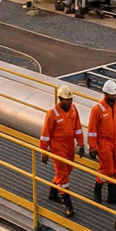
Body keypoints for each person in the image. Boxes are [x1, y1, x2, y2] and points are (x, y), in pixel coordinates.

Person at [38, 86, 84, 217]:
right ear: (60, 99)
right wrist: (44, 153)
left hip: (69, 148)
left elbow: (78, 128)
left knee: (67, 171)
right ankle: (68, 204)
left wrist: (80, 144)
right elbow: (45, 135)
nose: (69, 102)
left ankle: (53, 193)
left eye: (70, 99)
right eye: (66, 100)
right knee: (63, 175)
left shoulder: (73, 110)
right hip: (57, 150)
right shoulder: (52, 114)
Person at [87, 80, 116, 206]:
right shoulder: (97, 109)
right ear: (105, 94)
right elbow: (92, 130)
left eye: (115, 95)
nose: (114, 97)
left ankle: (112, 196)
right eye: (112, 95)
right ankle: (97, 188)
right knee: (107, 170)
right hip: (104, 143)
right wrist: (92, 147)